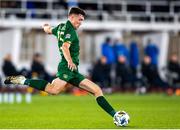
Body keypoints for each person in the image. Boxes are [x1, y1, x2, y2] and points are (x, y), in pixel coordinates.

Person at [4, 7, 123, 126]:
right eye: (79, 19)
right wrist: (70, 61)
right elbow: (65, 47)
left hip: (73, 70)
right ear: (71, 17)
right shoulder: (70, 31)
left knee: (97, 90)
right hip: (67, 67)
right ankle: (23, 80)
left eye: (82, 20)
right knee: (53, 90)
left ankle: (116, 116)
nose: (80, 22)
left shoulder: (61, 27)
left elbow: (49, 30)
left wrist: (45, 27)